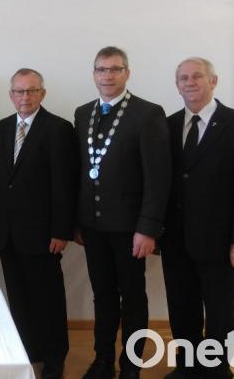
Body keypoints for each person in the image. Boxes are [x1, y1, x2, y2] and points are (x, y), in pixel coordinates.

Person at [161, 57, 234, 379]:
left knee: (219, 311)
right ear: (177, 85)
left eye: (197, 76)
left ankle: (217, 368)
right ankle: (187, 365)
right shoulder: (167, 125)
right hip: (176, 238)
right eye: (183, 78)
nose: (189, 82)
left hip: (221, 241)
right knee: (182, 306)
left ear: (213, 81)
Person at [74, 47, 171, 379]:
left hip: (131, 228)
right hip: (93, 225)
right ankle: (103, 360)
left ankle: (131, 364)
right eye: (101, 70)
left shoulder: (148, 113)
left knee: (132, 296)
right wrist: (78, 221)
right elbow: (82, 171)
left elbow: (158, 179)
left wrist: (148, 228)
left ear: (127, 73)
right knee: (102, 294)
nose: (108, 76)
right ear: (94, 74)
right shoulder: (83, 113)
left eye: (115, 69)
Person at [0, 68, 76, 379]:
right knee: (19, 298)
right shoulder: (1, 129)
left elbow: (63, 184)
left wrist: (61, 230)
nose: (24, 97)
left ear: (42, 93)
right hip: (8, 234)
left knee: (48, 300)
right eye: (19, 91)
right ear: (11, 94)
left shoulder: (58, 129)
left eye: (30, 91)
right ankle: (29, 352)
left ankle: (55, 359)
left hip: (44, 234)